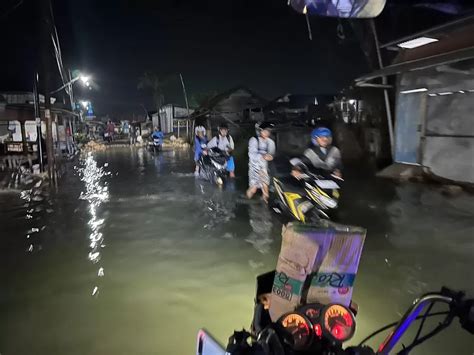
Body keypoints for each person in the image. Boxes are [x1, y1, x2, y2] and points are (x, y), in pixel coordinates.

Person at [246, 122, 276, 203]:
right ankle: (247, 201)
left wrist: (270, 156)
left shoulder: (270, 142)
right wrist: (262, 156)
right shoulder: (254, 140)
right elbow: (251, 155)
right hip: (254, 166)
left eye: (268, 131)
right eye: (265, 131)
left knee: (265, 187)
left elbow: (272, 153)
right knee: (254, 189)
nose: (267, 133)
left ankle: (265, 204)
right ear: (260, 131)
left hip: (264, 167)